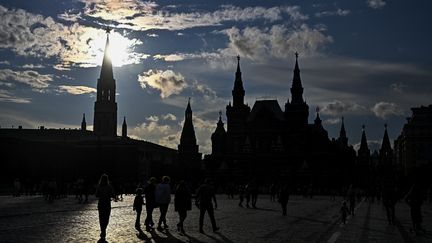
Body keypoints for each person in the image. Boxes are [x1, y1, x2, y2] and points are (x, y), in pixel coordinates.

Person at [95, 174, 115, 242]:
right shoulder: (109, 187)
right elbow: (113, 195)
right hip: (107, 204)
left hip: (101, 204)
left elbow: (96, 195)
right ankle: (104, 230)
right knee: (106, 218)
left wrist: (101, 194)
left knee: (101, 218)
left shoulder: (99, 186)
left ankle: (102, 230)